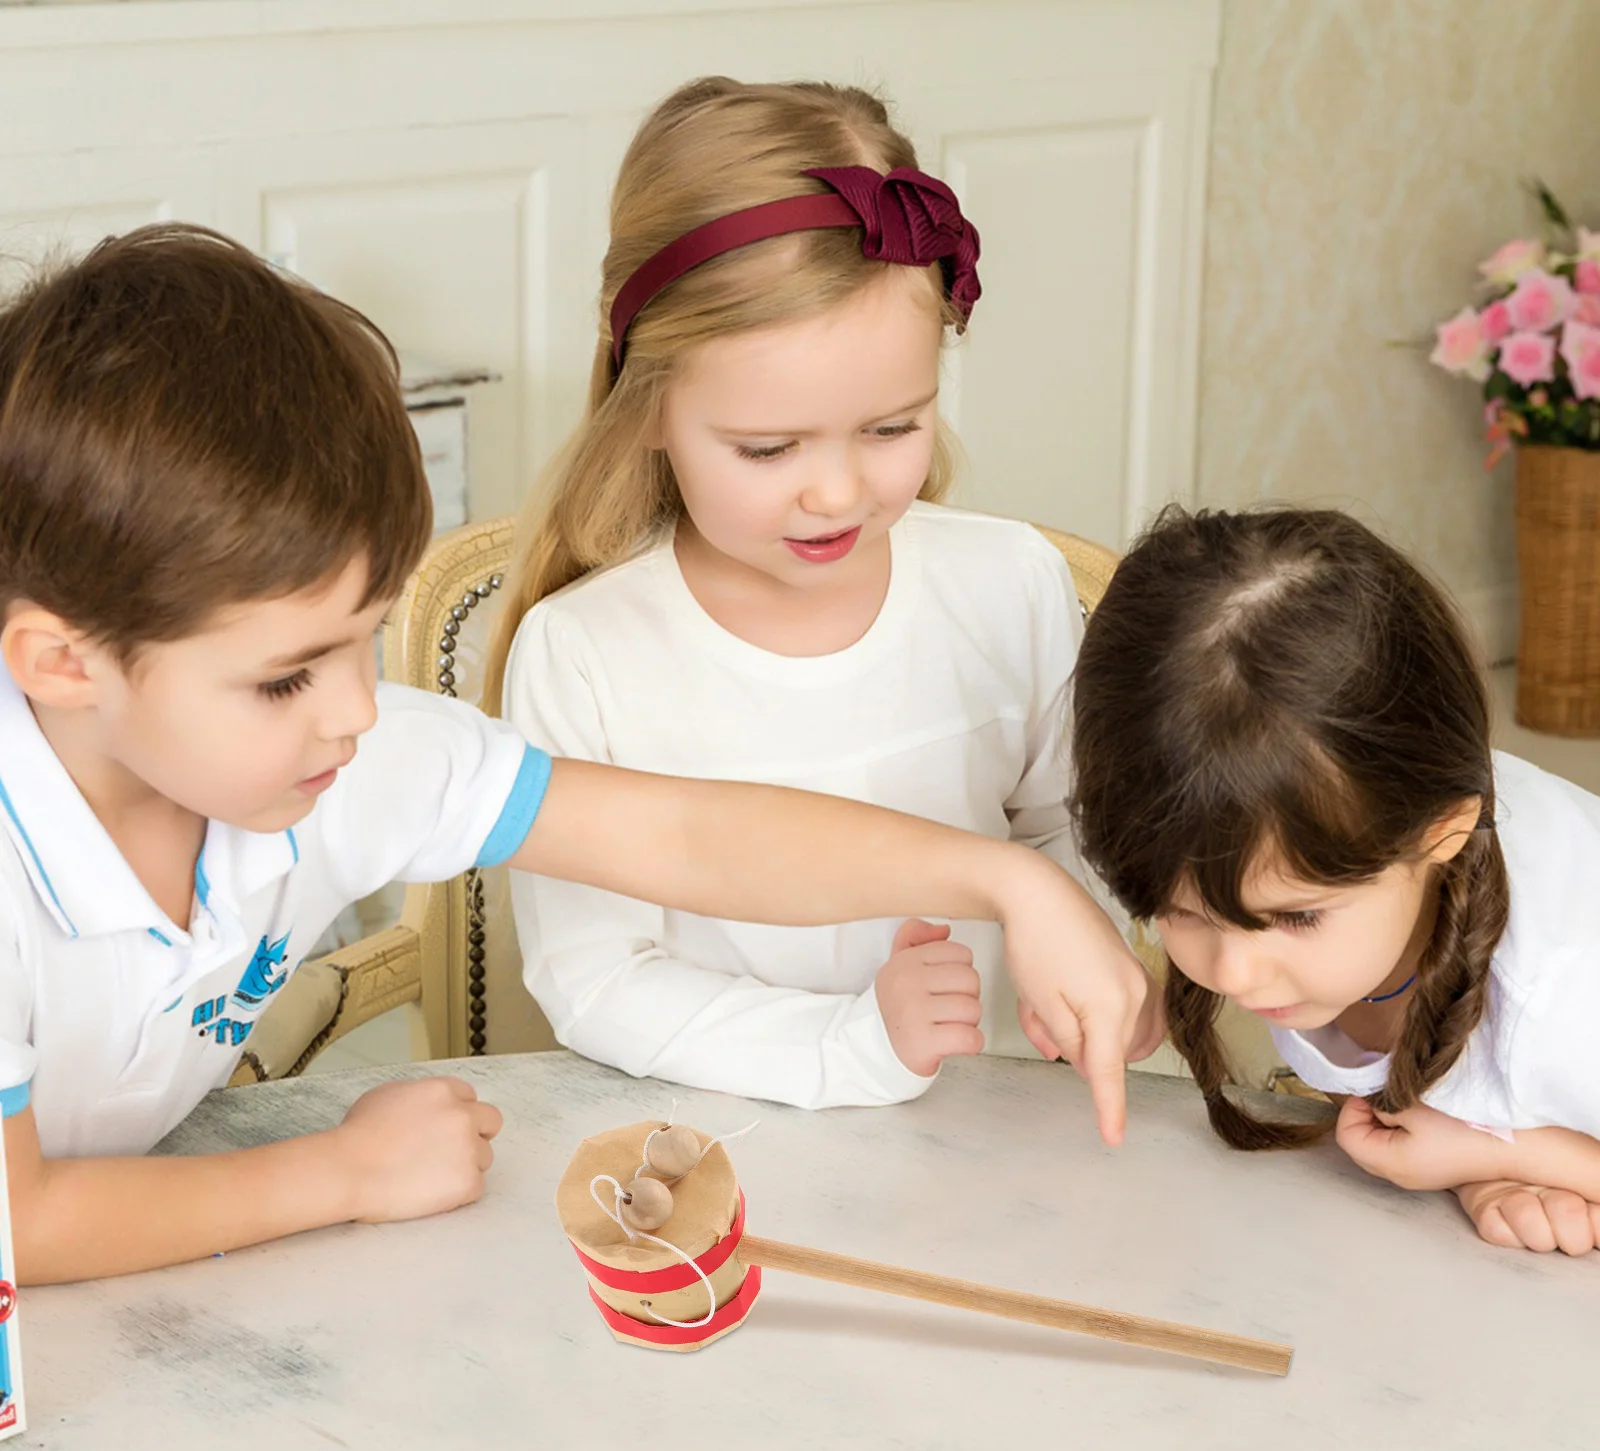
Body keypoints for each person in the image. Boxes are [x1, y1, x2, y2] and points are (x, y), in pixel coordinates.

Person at [0, 222, 1153, 1284]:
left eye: (365, 637)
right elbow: (21, 1222)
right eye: (286, 675)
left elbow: (687, 833)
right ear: (61, 664)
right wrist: (338, 1173)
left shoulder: (349, 759)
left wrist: (1008, 878)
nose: (357, 709)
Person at [487, 77, 1137, 1111]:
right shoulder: (588, 653)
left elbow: (1074, 828)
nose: (837, 492)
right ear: (643, 405)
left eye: (891, 428)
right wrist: (853, 1043)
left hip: (1008, 1123)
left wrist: (1097, 948)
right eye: (767, 446)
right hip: (731, 1149)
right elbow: (598, 976)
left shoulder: (1009, 584)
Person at [1070, 503, 1600, 1255]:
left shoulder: (1570, 996)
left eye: (1296, 917)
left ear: (1443, 830)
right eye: (1182, 912)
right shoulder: (1351, 849)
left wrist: (1510, 1155)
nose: (1236, 973)